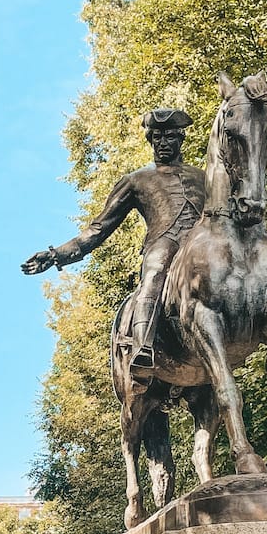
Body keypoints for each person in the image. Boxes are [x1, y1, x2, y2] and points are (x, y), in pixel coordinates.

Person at [22, 108, 205, 391]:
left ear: (181, 138)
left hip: (202, 249)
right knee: (155, 273)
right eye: (157, 137)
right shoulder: (136, 180)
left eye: (169, 136)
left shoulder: (203, 177)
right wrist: (56, 254)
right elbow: (98, 228)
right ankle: (143, 349)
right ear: (150, 141)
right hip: (164, 244)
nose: (163, 143)